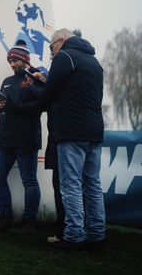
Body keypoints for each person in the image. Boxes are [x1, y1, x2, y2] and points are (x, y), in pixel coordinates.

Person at [31, 29, 105, 251]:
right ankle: (97, 234)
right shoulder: (93, 61)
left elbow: (49, 94)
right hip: (94, 129)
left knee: (71, 184)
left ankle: (73, 235)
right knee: (92, 185)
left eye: (51, 47)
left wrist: (40, 82)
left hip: (71, 130)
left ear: (61, 41)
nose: (51, 53)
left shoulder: (65, 56)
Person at [0, 43, 42, 233]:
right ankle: (6, 217)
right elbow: (1, 106)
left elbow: (39, 107)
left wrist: (11, 106)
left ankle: (29, 221)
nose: (12, 63)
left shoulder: (35, 78)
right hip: (4, 138)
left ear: (25, 60)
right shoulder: (7, 80)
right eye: (9, 60)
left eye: (15, 60)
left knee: (29, 181)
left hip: (26, 138)